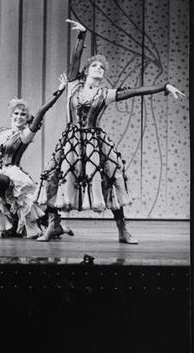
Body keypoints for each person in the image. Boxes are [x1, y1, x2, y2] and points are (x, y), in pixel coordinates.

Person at [37, 19, 186, 243]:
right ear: (86, 70)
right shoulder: (73, 85)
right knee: (54, 176)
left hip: (95, 142)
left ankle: (122, 230)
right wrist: (82, 36)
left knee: (112, 177)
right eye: (95, 66)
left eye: (102, 67)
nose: (99, 68)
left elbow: (135, 91)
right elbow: (75, 60)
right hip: (71, 142)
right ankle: (53, 224)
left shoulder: (105, 94)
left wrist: (163, 86)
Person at [0, 74, 71, 239]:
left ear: (27, 119)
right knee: (10, 227)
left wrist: (59, 91)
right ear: (11, 115)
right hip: (0, 172)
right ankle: (55, 227)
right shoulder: (3, 132)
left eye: (23, 114)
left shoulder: (25, 134)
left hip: (14, 176)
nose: (19, 117)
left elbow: (41, 111)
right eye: (16, 113)